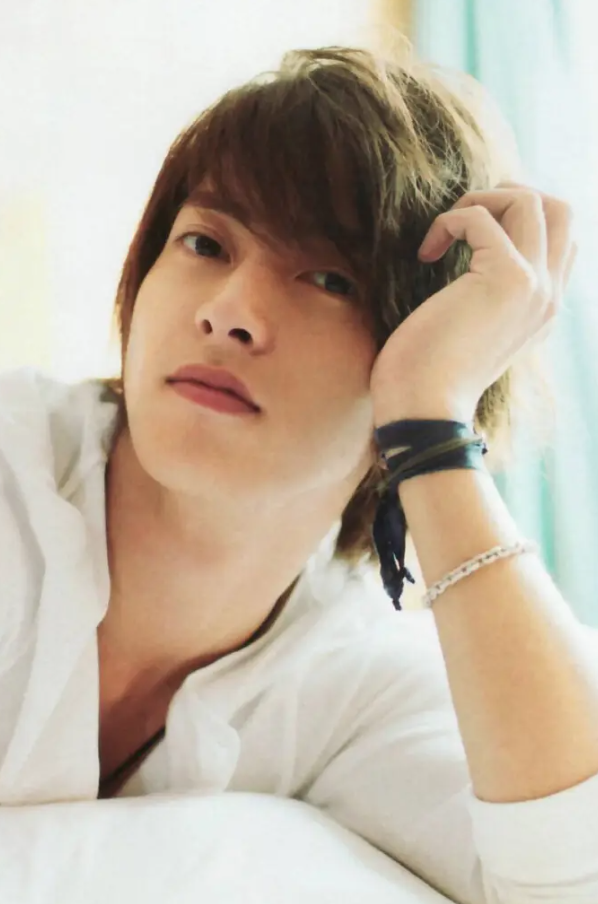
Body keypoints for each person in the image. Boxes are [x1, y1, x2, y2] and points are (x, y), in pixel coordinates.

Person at [1, 43, 597, 903]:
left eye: (328, 279)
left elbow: (569, 874)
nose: (229, 312)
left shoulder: (353, 673)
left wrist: (432, 426)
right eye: (205, 242)